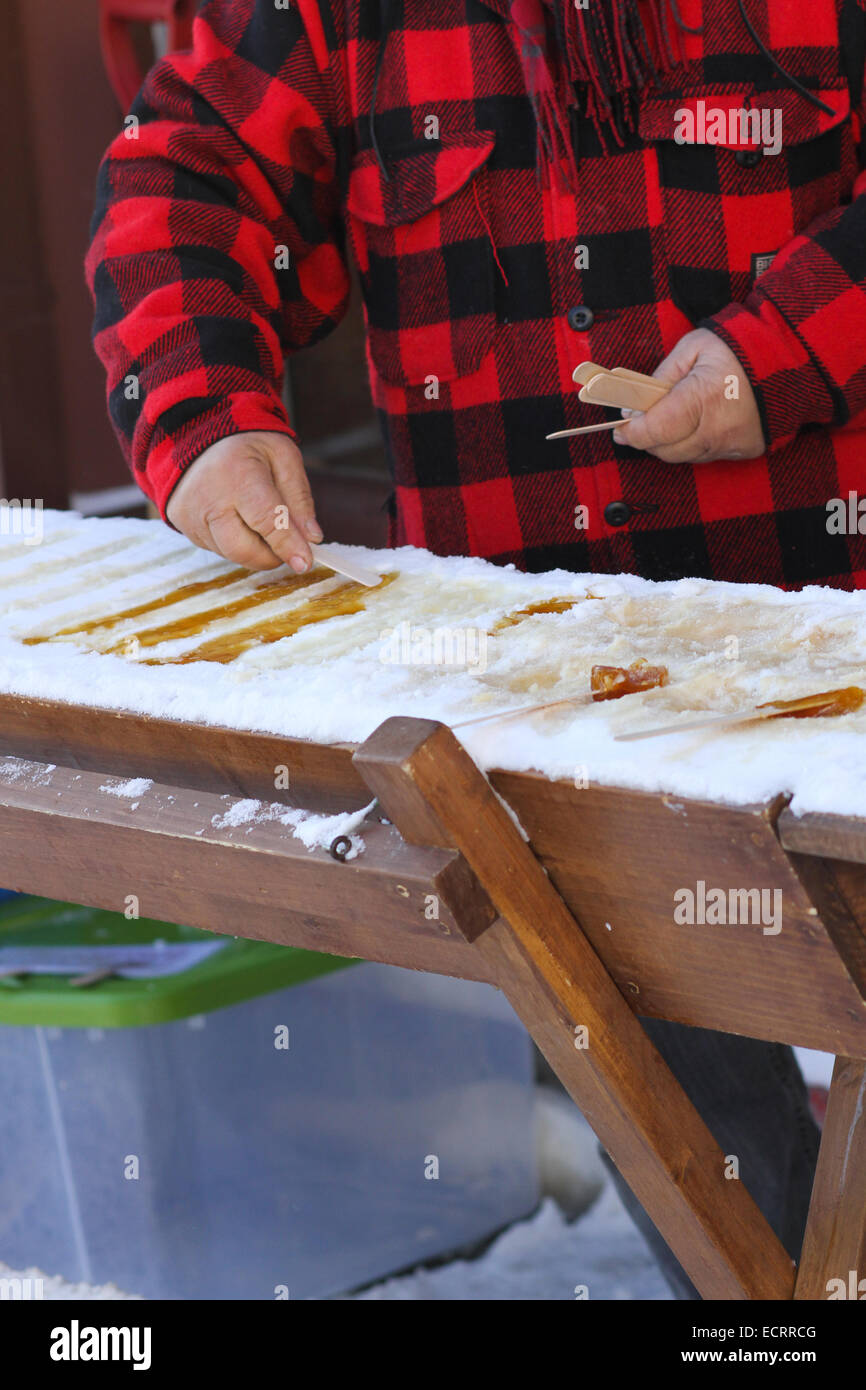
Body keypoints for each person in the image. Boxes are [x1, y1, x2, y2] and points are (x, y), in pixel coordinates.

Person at [87, 0, 865, 1297]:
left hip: (827, 694)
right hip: (536, 727)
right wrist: (205, 416)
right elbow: (183, 174)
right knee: (711, 1174)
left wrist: (782, 351)